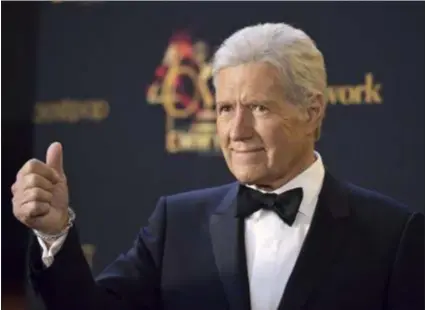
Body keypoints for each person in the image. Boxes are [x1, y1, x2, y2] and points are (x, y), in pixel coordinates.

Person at [12, 23, 424, 310]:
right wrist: (54, 233)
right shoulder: (176, 223)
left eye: (259, 107)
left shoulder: (392, 236)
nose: (236, 130)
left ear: (313, 111)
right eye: (226, 109)